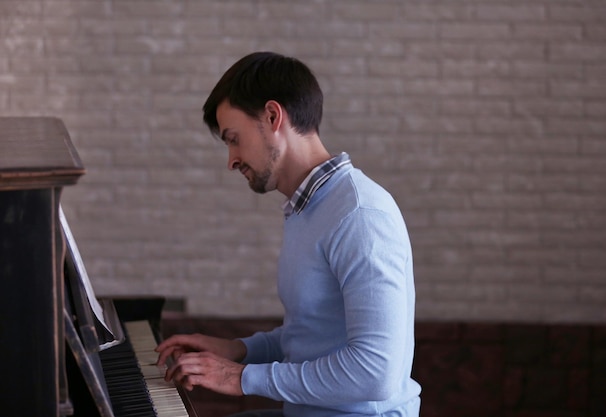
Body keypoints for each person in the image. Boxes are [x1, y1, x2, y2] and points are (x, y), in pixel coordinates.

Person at [155, 51, 422, 417]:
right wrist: (238, 350)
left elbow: (376, 372)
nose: (231, 159)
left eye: (234, 139)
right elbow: (314, 336)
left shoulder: (360, 215)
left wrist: (242, 377)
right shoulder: (309, 209)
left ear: (272, 116)